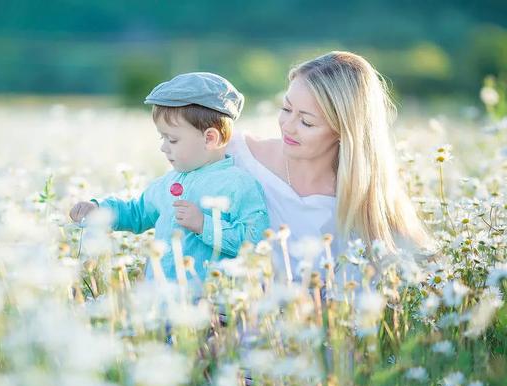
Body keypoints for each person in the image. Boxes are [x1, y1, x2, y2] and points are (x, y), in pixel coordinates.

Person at [227, 51, 433, 282]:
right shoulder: (234, 157)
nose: (288, 126)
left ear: (343, 131)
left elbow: (426, 275)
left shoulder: (365, 208)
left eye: (307, 121)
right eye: (286, 109)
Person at [69, 72, 270, 281]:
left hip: (208, 303)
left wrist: (204, 225)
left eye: (172, 140)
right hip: (160, 298)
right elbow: (136, 212)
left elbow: (255, 242)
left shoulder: (239, 184)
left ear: (210, 138)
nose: (163, 147)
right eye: (162, 137)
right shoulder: (169, 182)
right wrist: (99, 209)